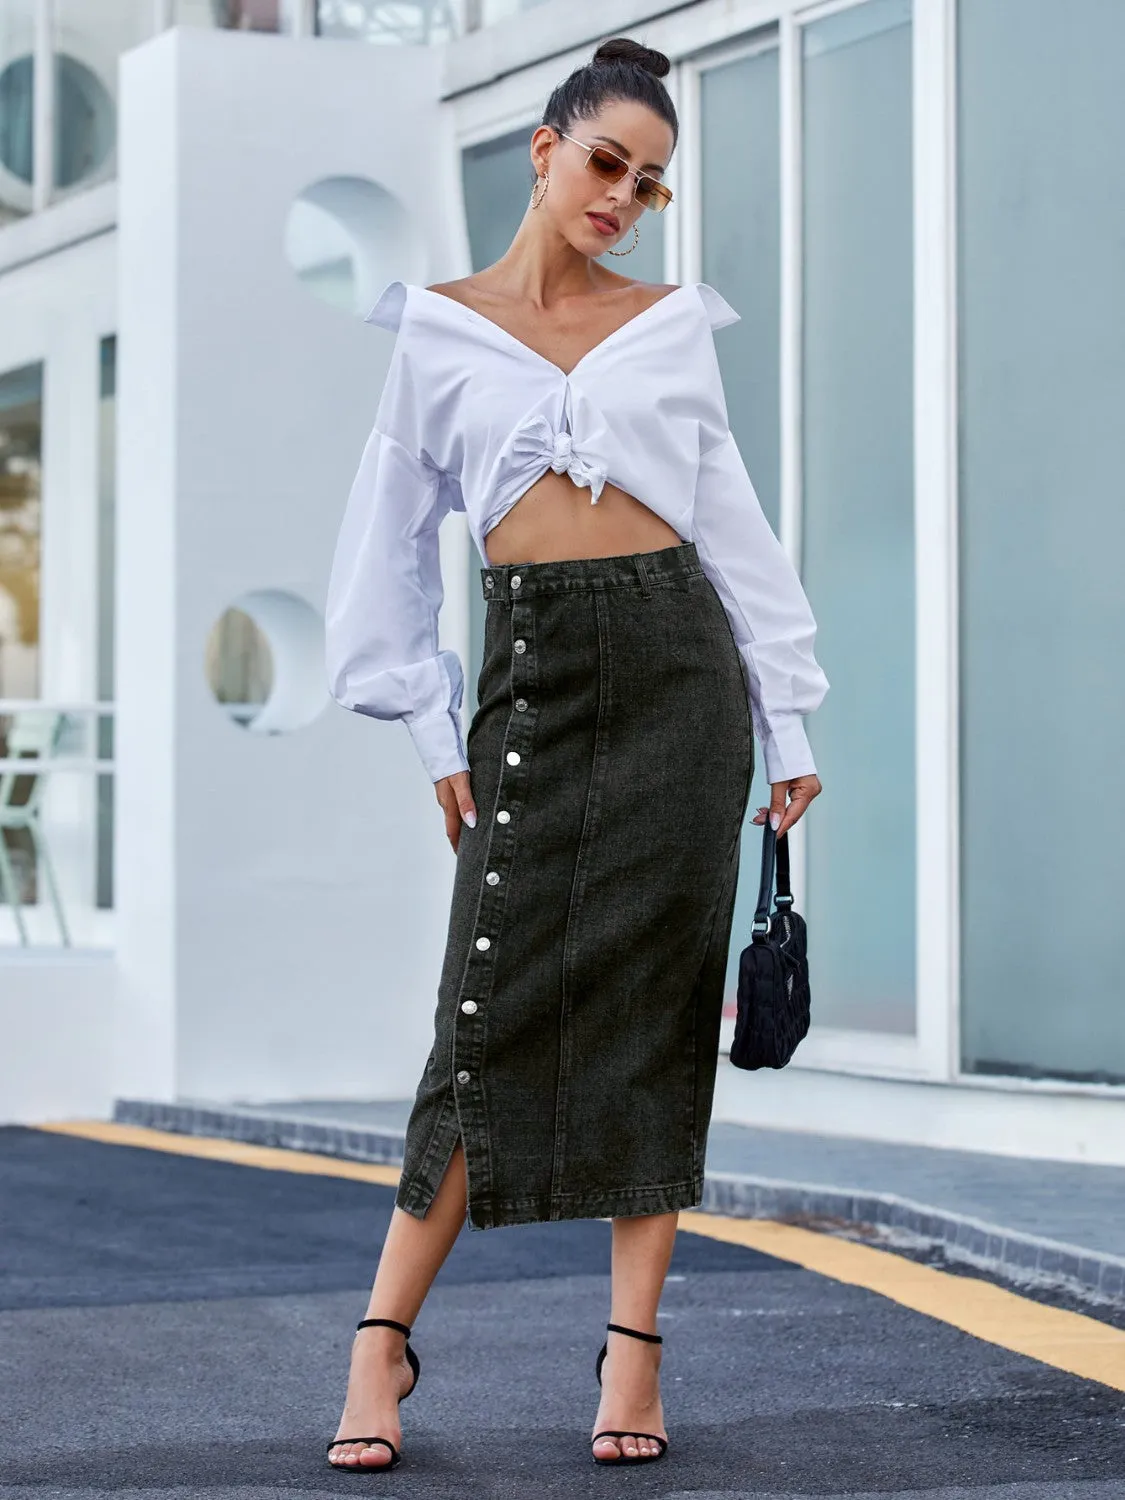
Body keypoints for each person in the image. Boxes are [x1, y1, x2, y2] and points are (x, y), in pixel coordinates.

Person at [322, 34, 829, 1473]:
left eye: (650, 183)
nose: (622, 196)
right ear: (543, 151)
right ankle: (382, 1341)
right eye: (606, 163)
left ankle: (633, 1355)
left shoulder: (669, 328)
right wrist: (432, 734)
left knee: (660, 1018)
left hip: (683, 684)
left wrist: (785, 720)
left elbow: (732, 531)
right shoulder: (434, 330)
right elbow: (390, 557)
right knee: (479, 1013)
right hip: (533, 680)